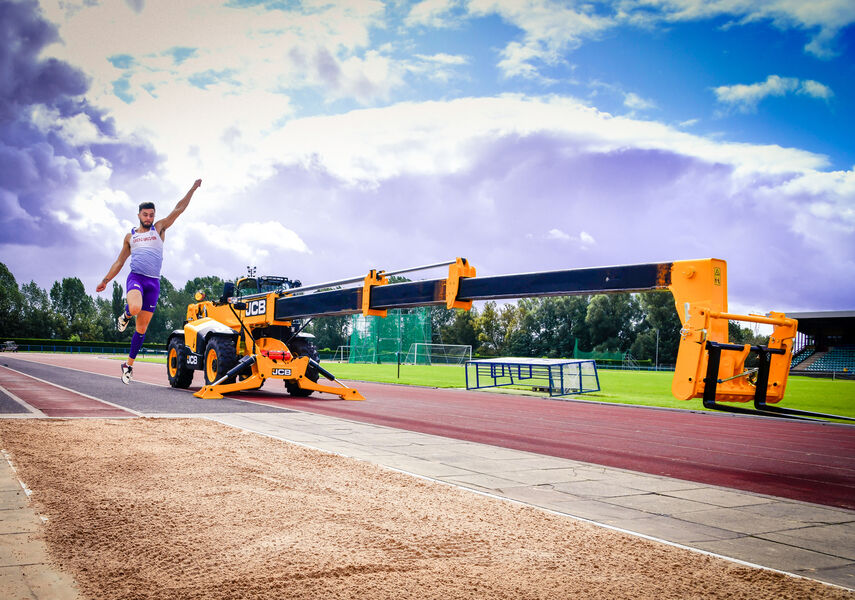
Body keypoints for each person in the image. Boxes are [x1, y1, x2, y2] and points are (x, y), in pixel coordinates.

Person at [96, 179, 202, 383]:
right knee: (135, 308)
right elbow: (120, 261)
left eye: (151, 214)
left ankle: (128, 365)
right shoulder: (130, 236)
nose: (149, 218)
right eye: (145, 215)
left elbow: (178, 209)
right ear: (139, 215)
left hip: (154, 283)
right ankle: (125, 314)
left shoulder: (160, 228)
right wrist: (106, 280)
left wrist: (192, 189)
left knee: (142, 329)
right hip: (136, 277)